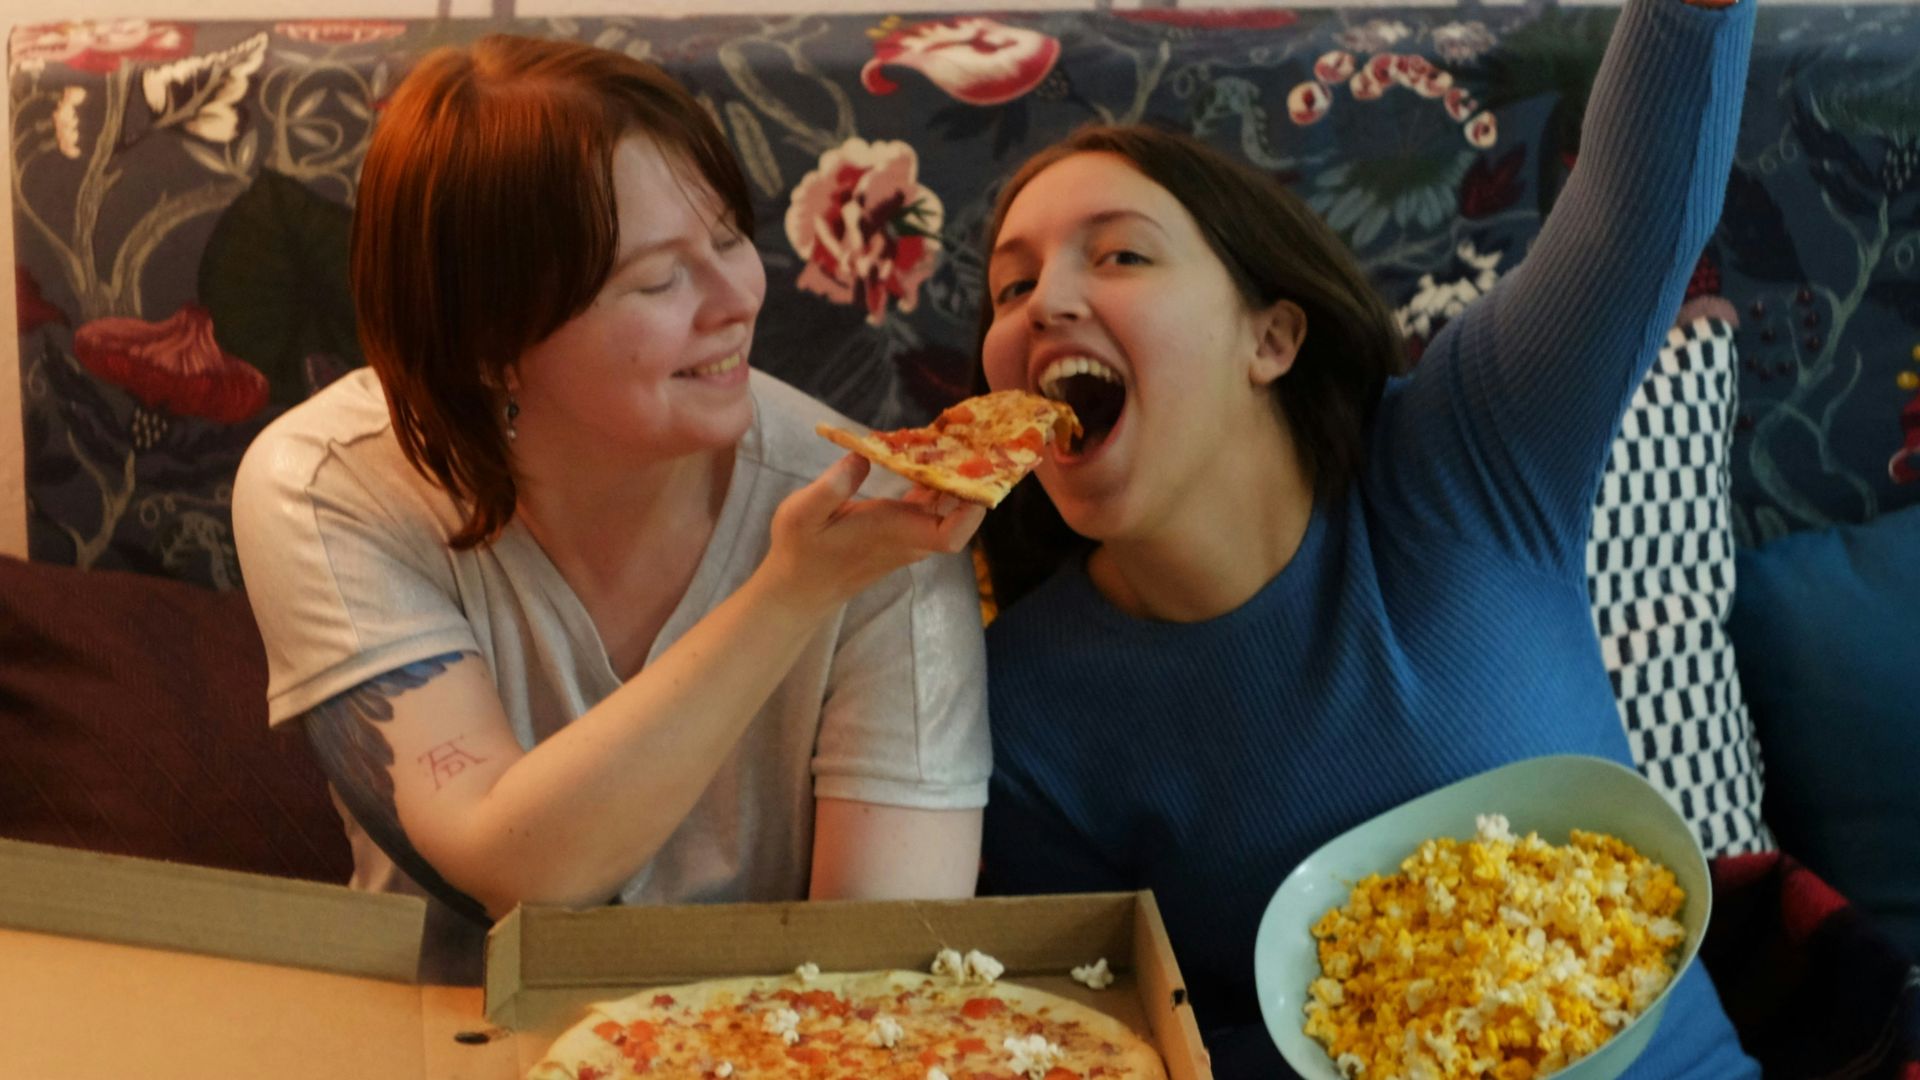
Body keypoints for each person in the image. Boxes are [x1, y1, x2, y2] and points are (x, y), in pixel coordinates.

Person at [971, 0, 1760, 1074]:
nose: (1044, 302)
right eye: (1012, 286)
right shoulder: (1020, 710)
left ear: (1271, 336)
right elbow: (1101, 1039)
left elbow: (1631, 222)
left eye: (1119, 256)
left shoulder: (1469, 447)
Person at [232, 35, 989, 982]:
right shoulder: (330, 485)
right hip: (439, 1032)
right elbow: (511, 873)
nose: (737, 300)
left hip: (770, 1042)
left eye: (728, 239)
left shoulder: (880, 526)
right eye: (658, 279)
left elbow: (884, 969)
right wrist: (791, 594)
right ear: (486, 343)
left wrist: (824, 580)